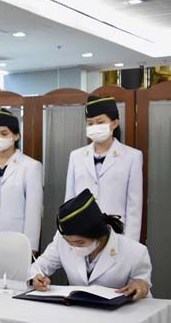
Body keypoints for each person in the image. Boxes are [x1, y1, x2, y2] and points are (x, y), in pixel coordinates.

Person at [28, 189, 151, 299]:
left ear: (99, 234)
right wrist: (36, 278)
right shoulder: (62, 241)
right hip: (76, 310)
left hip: (116, 314)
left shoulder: (135, 252)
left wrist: (140, 285)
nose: (73, 247)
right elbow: (38, 267)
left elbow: (142, 288)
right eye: (68, 242)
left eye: (80, 242)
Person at [65, 95, 143, 240]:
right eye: (90, 123)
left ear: (114, 123)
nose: (94, 127)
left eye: (100, 122)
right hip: (83, 233)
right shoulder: (76, 156)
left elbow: (134, 207)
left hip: (116, 234)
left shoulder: (132, 157)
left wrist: (131, 244)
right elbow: (69, 200)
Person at [0, 109, 43, 252]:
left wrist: (31, 246)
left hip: (15, 240)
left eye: (4, 133)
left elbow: (33, 211)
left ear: (16, 136)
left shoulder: (31, 166)